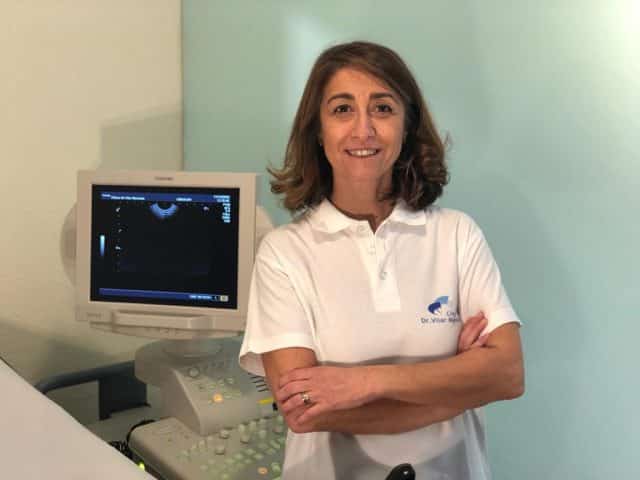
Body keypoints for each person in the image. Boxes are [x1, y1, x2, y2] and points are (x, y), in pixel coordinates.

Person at [239, 41, 524, 479]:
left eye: (383, 108)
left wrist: (361, 383)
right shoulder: (284, 252)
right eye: (342, 109)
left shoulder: (456, 235)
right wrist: (462, 384)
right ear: (318, 130)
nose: (363, 129)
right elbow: (304, 409)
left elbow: (507, 374)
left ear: (407, 126)